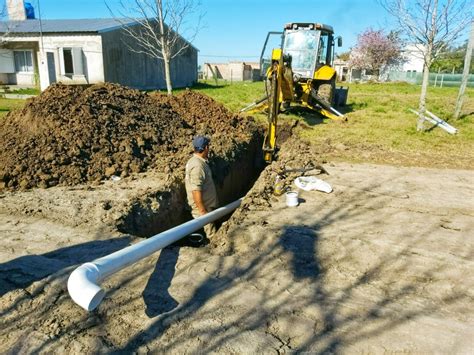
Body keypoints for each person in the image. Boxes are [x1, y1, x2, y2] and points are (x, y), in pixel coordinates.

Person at [185, 135, 219, 239]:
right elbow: (196, 191)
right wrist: (203, 212)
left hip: (206, 207)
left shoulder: (197, 162)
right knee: (213, 236)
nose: (209, 148)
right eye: (208, 146)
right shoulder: (198, 166)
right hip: (203, 210)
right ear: (205, 148)